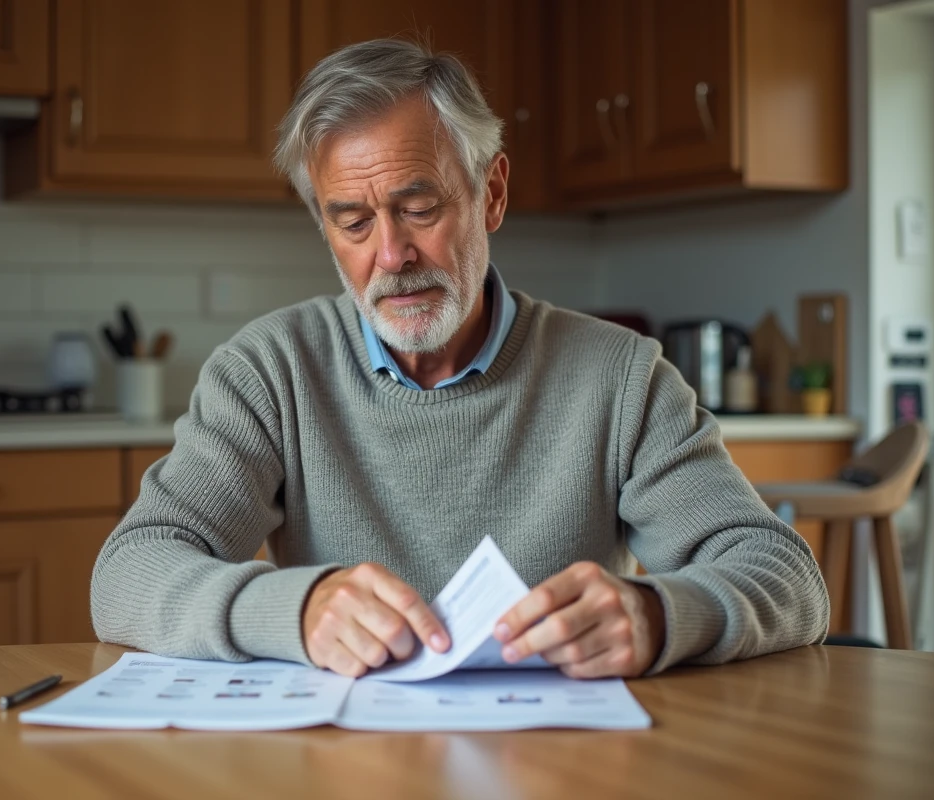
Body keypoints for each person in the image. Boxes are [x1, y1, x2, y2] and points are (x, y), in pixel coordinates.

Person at [91, 39, 829, 679]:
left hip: (560, 763)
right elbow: (127, 574)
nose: (391, 255)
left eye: (420, 209)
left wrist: (658, 614)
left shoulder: (621, 378)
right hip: (343, 766)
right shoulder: (268, 373)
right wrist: (298, 608)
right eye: (353, 223)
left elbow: (787, 578)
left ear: (492, 193)